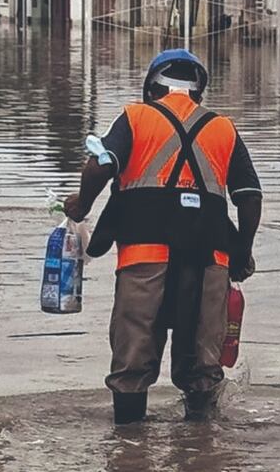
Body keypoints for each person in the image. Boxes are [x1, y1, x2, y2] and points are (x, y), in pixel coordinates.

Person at [64, 49, 263, 425]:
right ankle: (200, 456)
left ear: (150, 88)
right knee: (204, 369)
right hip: (211, 263)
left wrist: (82, 203)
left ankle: (128, 457)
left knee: (132, 366)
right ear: (199, 92)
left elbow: (100, 165)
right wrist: (243, 253)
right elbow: (250, 198)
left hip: (145, 258)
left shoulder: (135, 117)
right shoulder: (223, 128)